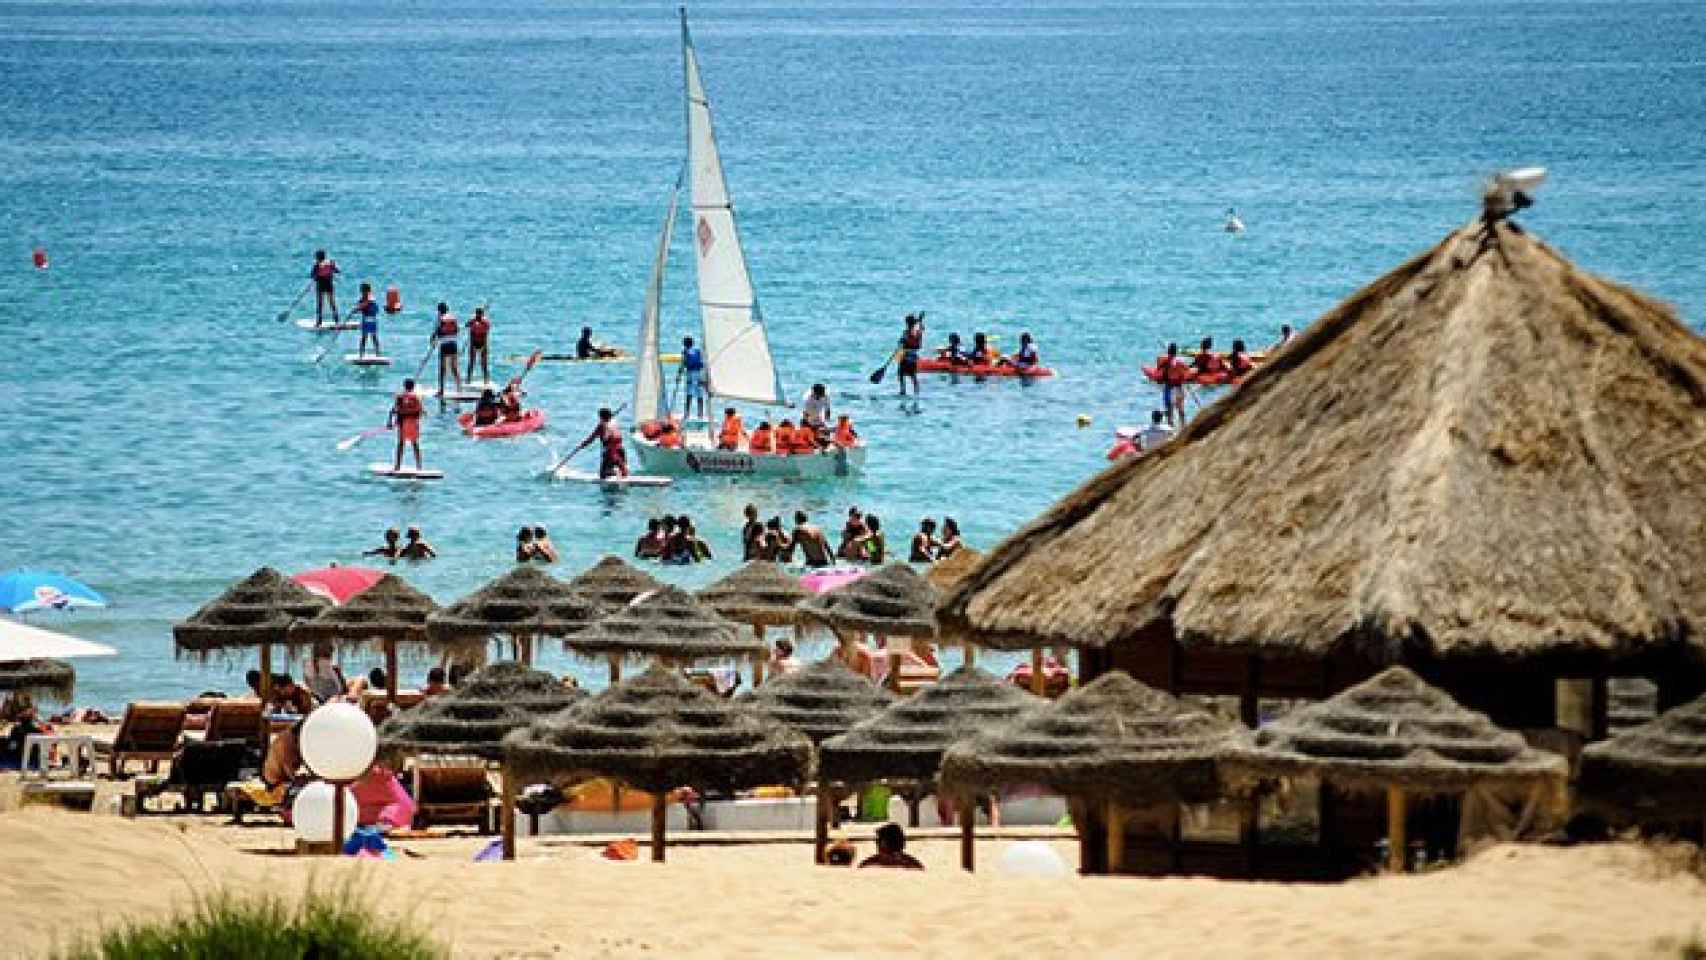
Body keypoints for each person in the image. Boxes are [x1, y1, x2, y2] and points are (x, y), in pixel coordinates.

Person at [571, 407, 629, 479]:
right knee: (624, 472)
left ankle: (613, 471)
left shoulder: (602, 426)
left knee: (602, 475)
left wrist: (581, 445)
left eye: (599, 417)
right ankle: (617, 471)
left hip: (611, 454)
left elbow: (591, 439)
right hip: (621, 452)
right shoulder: (614, 422)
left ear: (601, 417)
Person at [388, 379, 425, 471]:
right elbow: (421, 411)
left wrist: (389, 423)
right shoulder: (416, 397)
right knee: (415, 444)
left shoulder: (400, 397)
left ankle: (397, 466)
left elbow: (393, 410)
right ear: (413, 387)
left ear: (404, 386)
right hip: (412, 422)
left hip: (402, 423)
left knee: (401, 444)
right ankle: (419, 466)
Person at [1153, 342, 1190, 428]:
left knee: (1169, 412)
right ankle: (1184, 427)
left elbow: (1158, 372)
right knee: (1181, 410)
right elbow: (1187, 370)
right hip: (1179, 388)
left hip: (1169, 388)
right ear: (1176, 352)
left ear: (1168, 351)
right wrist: (1183, 378)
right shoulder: (1180, 362)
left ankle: (1171, 430)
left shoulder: (1165, 361)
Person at [858, 822, 924, 870]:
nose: (876, 842)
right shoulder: (914, 864)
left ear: (884, 842)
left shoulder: (870, 863)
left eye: (878, 839)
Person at [432, 302, 463, 396]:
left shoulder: (440, 319)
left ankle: (441, 390)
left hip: (444, 344)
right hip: (453, 344)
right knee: (454, 367)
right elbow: (457, 330)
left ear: (439, 311)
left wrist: (433, 340)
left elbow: (437, 332)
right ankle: (459, 388)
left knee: (442, 368)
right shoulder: (453, 318)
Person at [678, 336, 706, 420]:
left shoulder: (685, 352)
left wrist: (679, 375)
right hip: (700, 373)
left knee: (689, 394)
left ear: (685, 344)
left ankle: (687, 415)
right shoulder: (698, 351)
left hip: (691, 373)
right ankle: (700, 414)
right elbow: (703, 362)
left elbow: (683, 363)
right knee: (699, 394)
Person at [309, 250, 340, 326]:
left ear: (318, 257)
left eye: (316, 257)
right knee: (331, 302)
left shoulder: (316, 265)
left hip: (321, 285)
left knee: (320, 303)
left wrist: (316, 276)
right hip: (329, 284)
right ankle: (336, 320)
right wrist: (331, 270)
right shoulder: (330, 263)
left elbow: (312, 275)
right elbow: (337, 270)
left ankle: (319, 322)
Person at [896, 313, 924, 396]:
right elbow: (921, 327)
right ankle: (916, 392)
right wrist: (920, 320)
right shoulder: (918, 332)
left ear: (907, 323)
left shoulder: (906, 332)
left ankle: (903, 391)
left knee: (901, 374)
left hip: (906, 356)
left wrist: (900, 343)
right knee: (913, 375)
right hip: (914, 357)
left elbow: (902, 343)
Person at [352, 281, 381, 357]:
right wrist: (356, 309)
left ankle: (377, 354)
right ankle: (361, 354)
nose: (362, 293)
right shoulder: (362, 300)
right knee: (364, 337)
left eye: (363, 291)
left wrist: (358, 308)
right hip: (366, 319)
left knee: (374, 337)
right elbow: (360, 306)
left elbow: (368, 304)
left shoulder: (371, 299)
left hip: (371, 320)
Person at [465, 306, 492, 385]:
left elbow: (486, 333)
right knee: (471, 363)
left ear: (482, 314)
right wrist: (472, 321)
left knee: (484, 364)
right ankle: (468, 380)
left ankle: (486, 381)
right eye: (477, 314)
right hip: (473, 344)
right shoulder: (472, 321)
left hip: (483, 344)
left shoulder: (485, 322)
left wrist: (478, 322)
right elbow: (466, 325)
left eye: (480, 314)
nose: (478, 316)